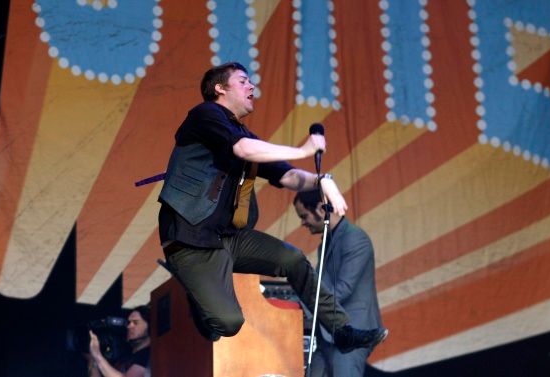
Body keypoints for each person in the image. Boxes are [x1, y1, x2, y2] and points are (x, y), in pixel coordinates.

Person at [157, 61, 387, 354]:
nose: (252, 87)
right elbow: (241, 149)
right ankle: (197, 292)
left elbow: (289, 176)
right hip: (191, 238)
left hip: (230, 237)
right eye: (243, 81)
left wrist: (323, 179)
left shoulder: (246, 137)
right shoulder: (206, 115)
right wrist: (304, 150)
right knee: (228, 323)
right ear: (220, 88)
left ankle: (340, 330)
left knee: (293, 260)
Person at [293, 188, 388, 376]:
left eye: (304, 216)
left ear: (321, 209)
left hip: (352, 330)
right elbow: (321, 286)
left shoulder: (355, 238)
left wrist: (301, 307)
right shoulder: (327, 242)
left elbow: (343, 289)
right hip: (328, 334)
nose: (303, 222)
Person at [87, 306, 151, 377]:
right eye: (129, 322)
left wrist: (97, 355)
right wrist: (93, 360)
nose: (129, 326)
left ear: (150, 326)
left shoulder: (150, 355)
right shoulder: (123, 357)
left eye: (135, 322)